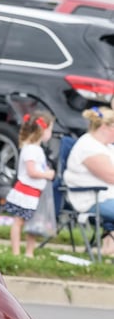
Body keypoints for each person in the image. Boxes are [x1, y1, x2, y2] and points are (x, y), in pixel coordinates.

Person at [63, 104, 114, 253]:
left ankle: (108, 249)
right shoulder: (88, 146)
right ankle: (107, 250)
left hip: (107, 197)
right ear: (105, 127)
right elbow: (111, 176)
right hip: (92, 199)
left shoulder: (106, 146)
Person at [3, 115, 54, 257]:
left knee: (33, 224)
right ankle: (16, 251)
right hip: (25, 192)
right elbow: (31, 171)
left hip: (34, 193)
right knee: (19, 221)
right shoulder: (31, 149)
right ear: (42, 130)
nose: (51, 134)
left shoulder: (36, 149)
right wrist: (47, 174)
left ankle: (29, 252)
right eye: (50, 130)